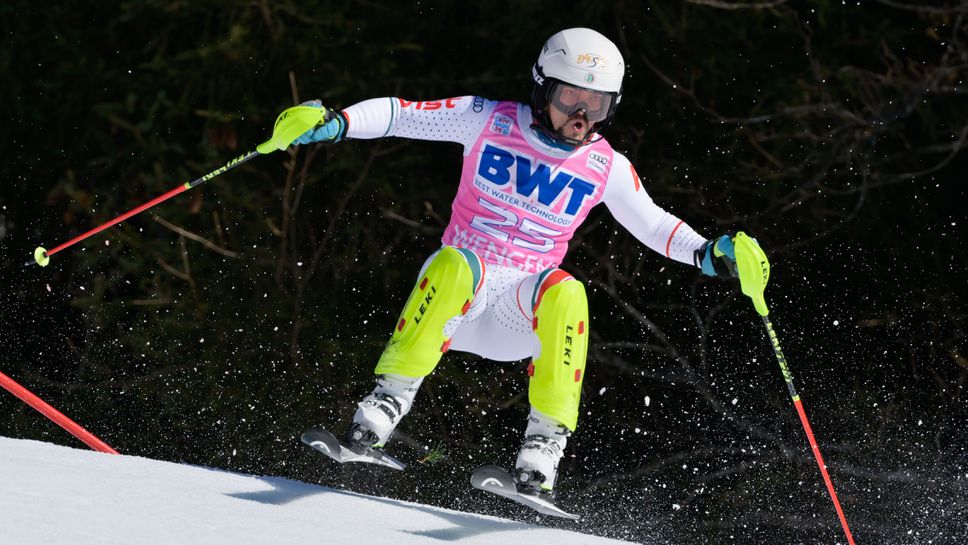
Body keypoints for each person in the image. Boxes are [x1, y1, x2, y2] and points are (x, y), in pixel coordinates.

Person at [294, 28, 753, 499]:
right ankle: (384, 407)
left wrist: (707, 252)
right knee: (455, 262)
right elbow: (401, 114)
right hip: (457, 300)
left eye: (595, 104)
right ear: (541, 88)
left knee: (568, 291)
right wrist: (338, 121)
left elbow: (654, 224)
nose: (580, 114)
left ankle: (542, 452)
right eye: (570, 96)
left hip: (519, 314)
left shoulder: (605, 166)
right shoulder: (486, 120)